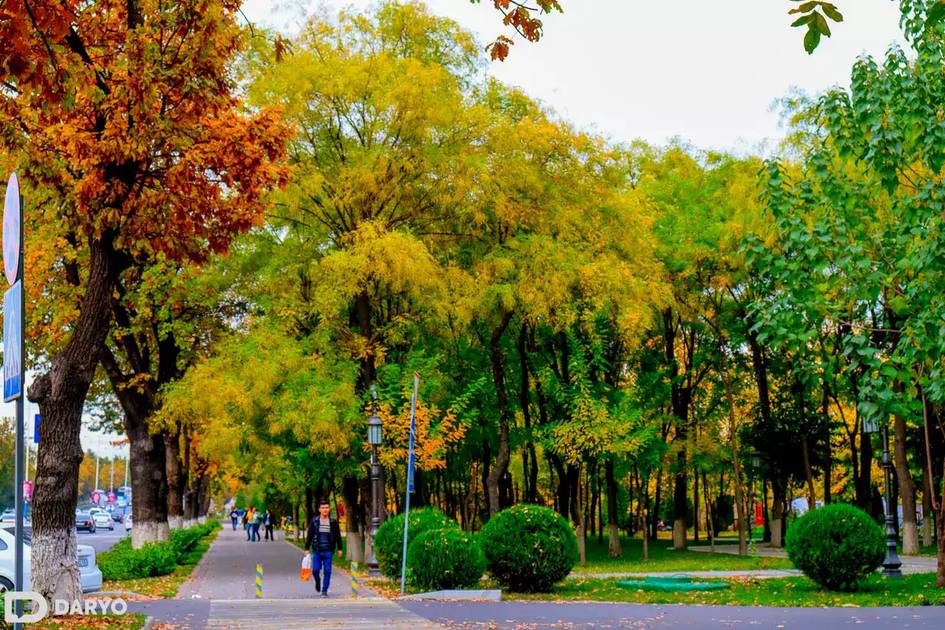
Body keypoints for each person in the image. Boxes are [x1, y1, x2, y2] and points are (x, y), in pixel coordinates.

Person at [304, 500, 342, 598]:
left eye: (327, 508)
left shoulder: (333, 522)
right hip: (317, 550)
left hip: (328, 551)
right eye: (323, 508)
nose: (325, 509)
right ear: (319, 509)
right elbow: (310, 535)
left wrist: (340, 548)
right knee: (315, 570)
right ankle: (318, 581)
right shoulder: (315, 521)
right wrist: (306, 548)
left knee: (327, 571)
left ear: (329, 509)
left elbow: (338, 536)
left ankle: (324, 590)